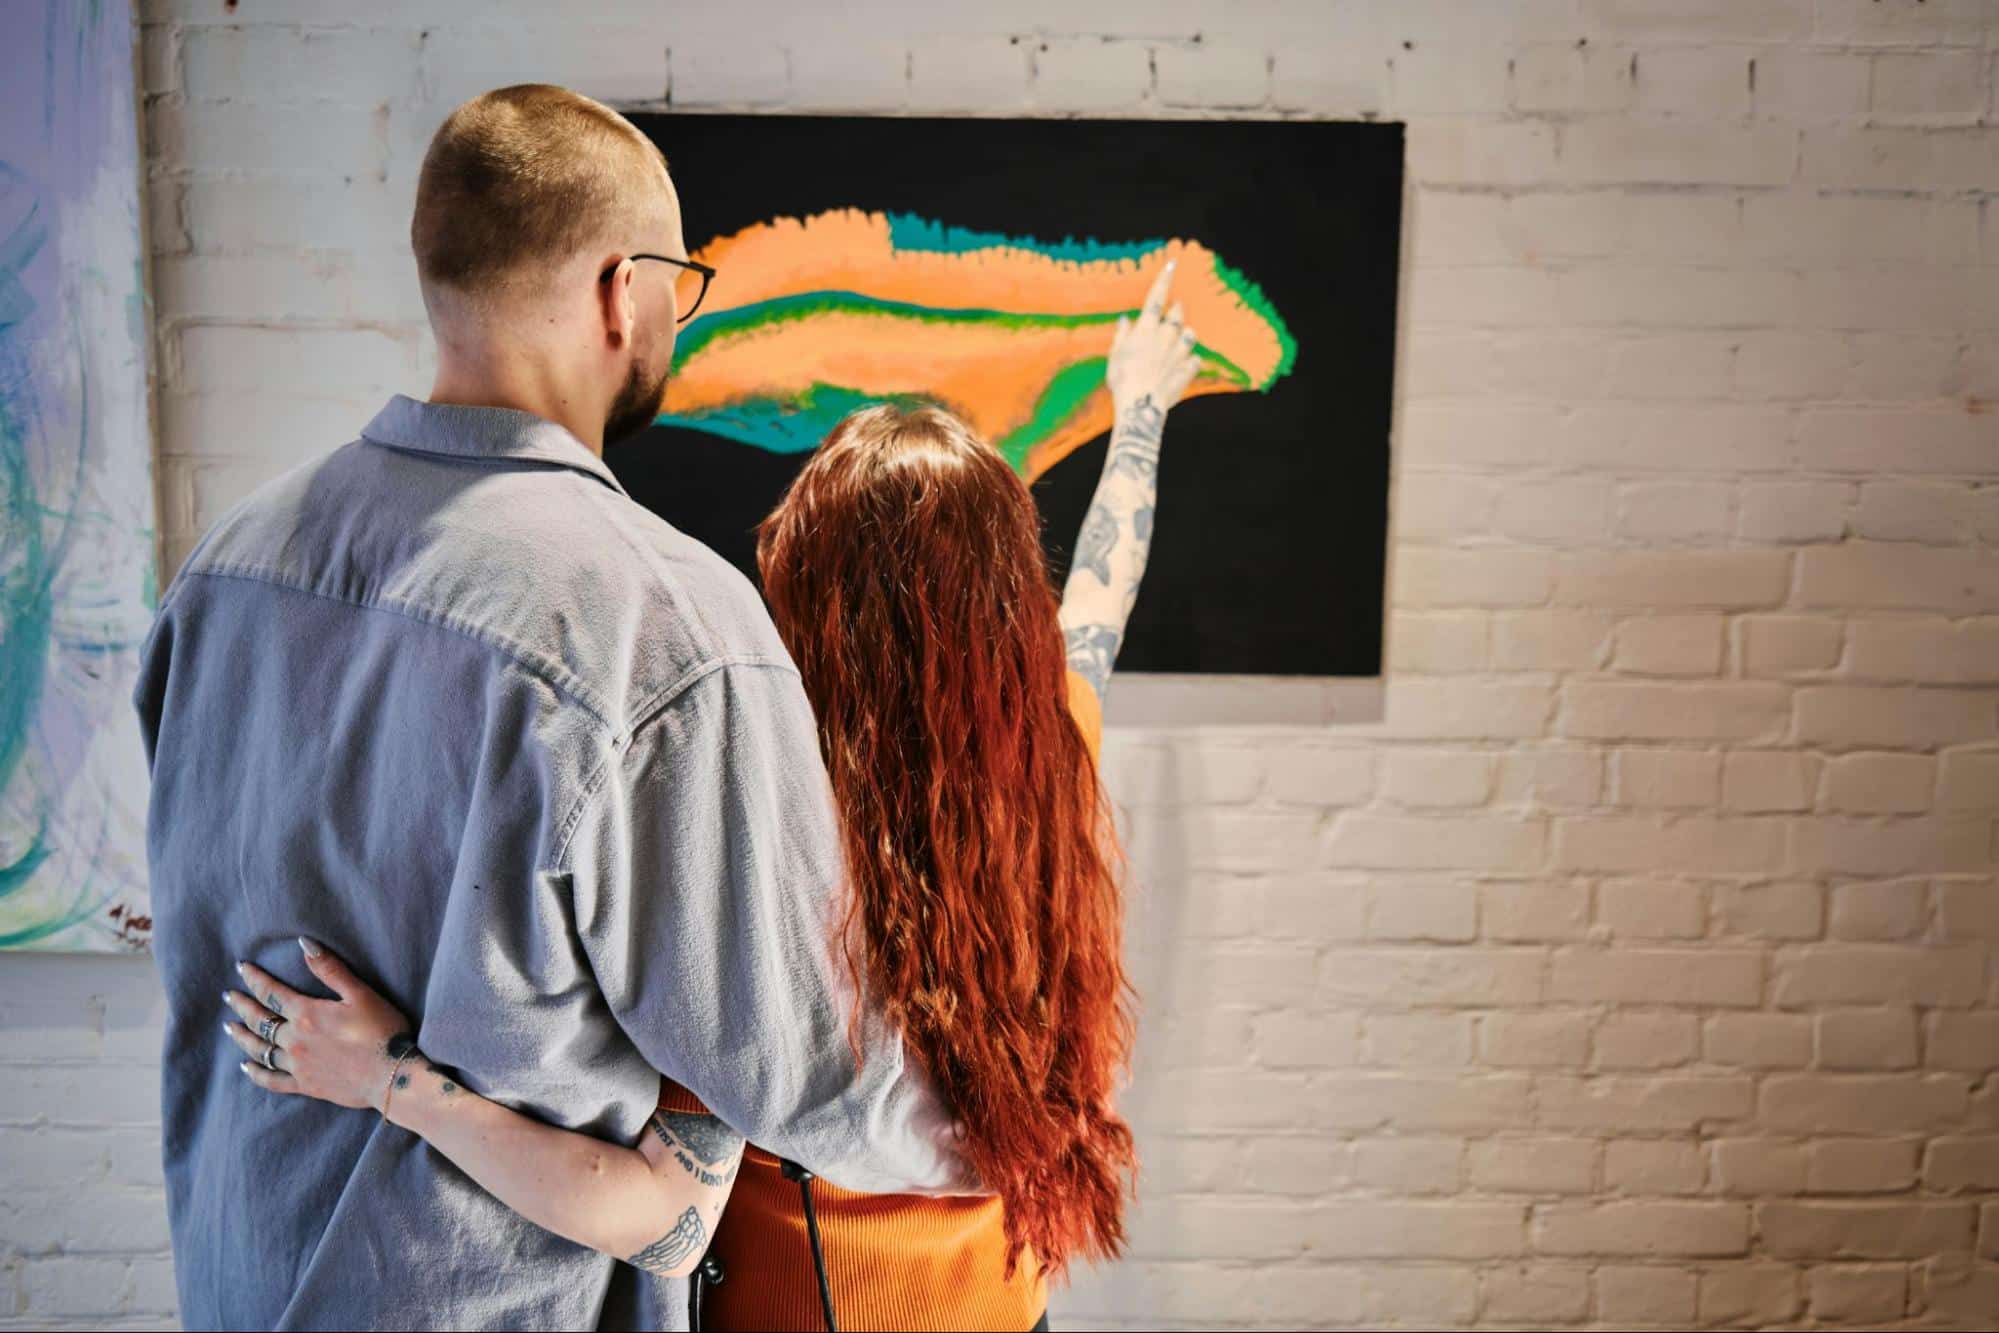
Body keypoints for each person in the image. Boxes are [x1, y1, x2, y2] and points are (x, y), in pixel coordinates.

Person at [220, 262, 1204, 1331]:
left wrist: (389, 1079)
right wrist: (1140, 409)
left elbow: (664, 1218)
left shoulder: (775, 833)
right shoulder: (1054, 738)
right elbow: (1109, 589)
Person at [134, 84, 970, 1333]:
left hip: (243, 1285)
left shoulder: (230, 570)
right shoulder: (663, 620)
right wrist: (1006, 1140)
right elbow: (800, 1068)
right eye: (675, 289)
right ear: (619, 289)